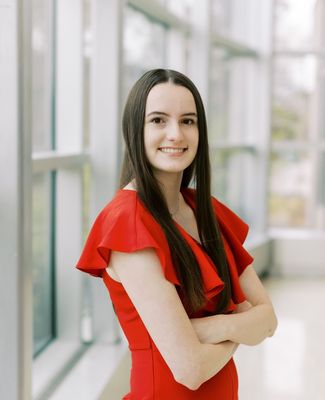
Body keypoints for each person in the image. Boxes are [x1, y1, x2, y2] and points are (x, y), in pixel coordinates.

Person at [76, 68, 278, 399]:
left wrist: (213, 328)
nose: (176, 134)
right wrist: (241, 326)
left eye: (188, 121)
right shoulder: (128, 222)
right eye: (158, 120)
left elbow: (268, 319)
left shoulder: (204, 210)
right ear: (134, 130)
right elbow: (190, 369)